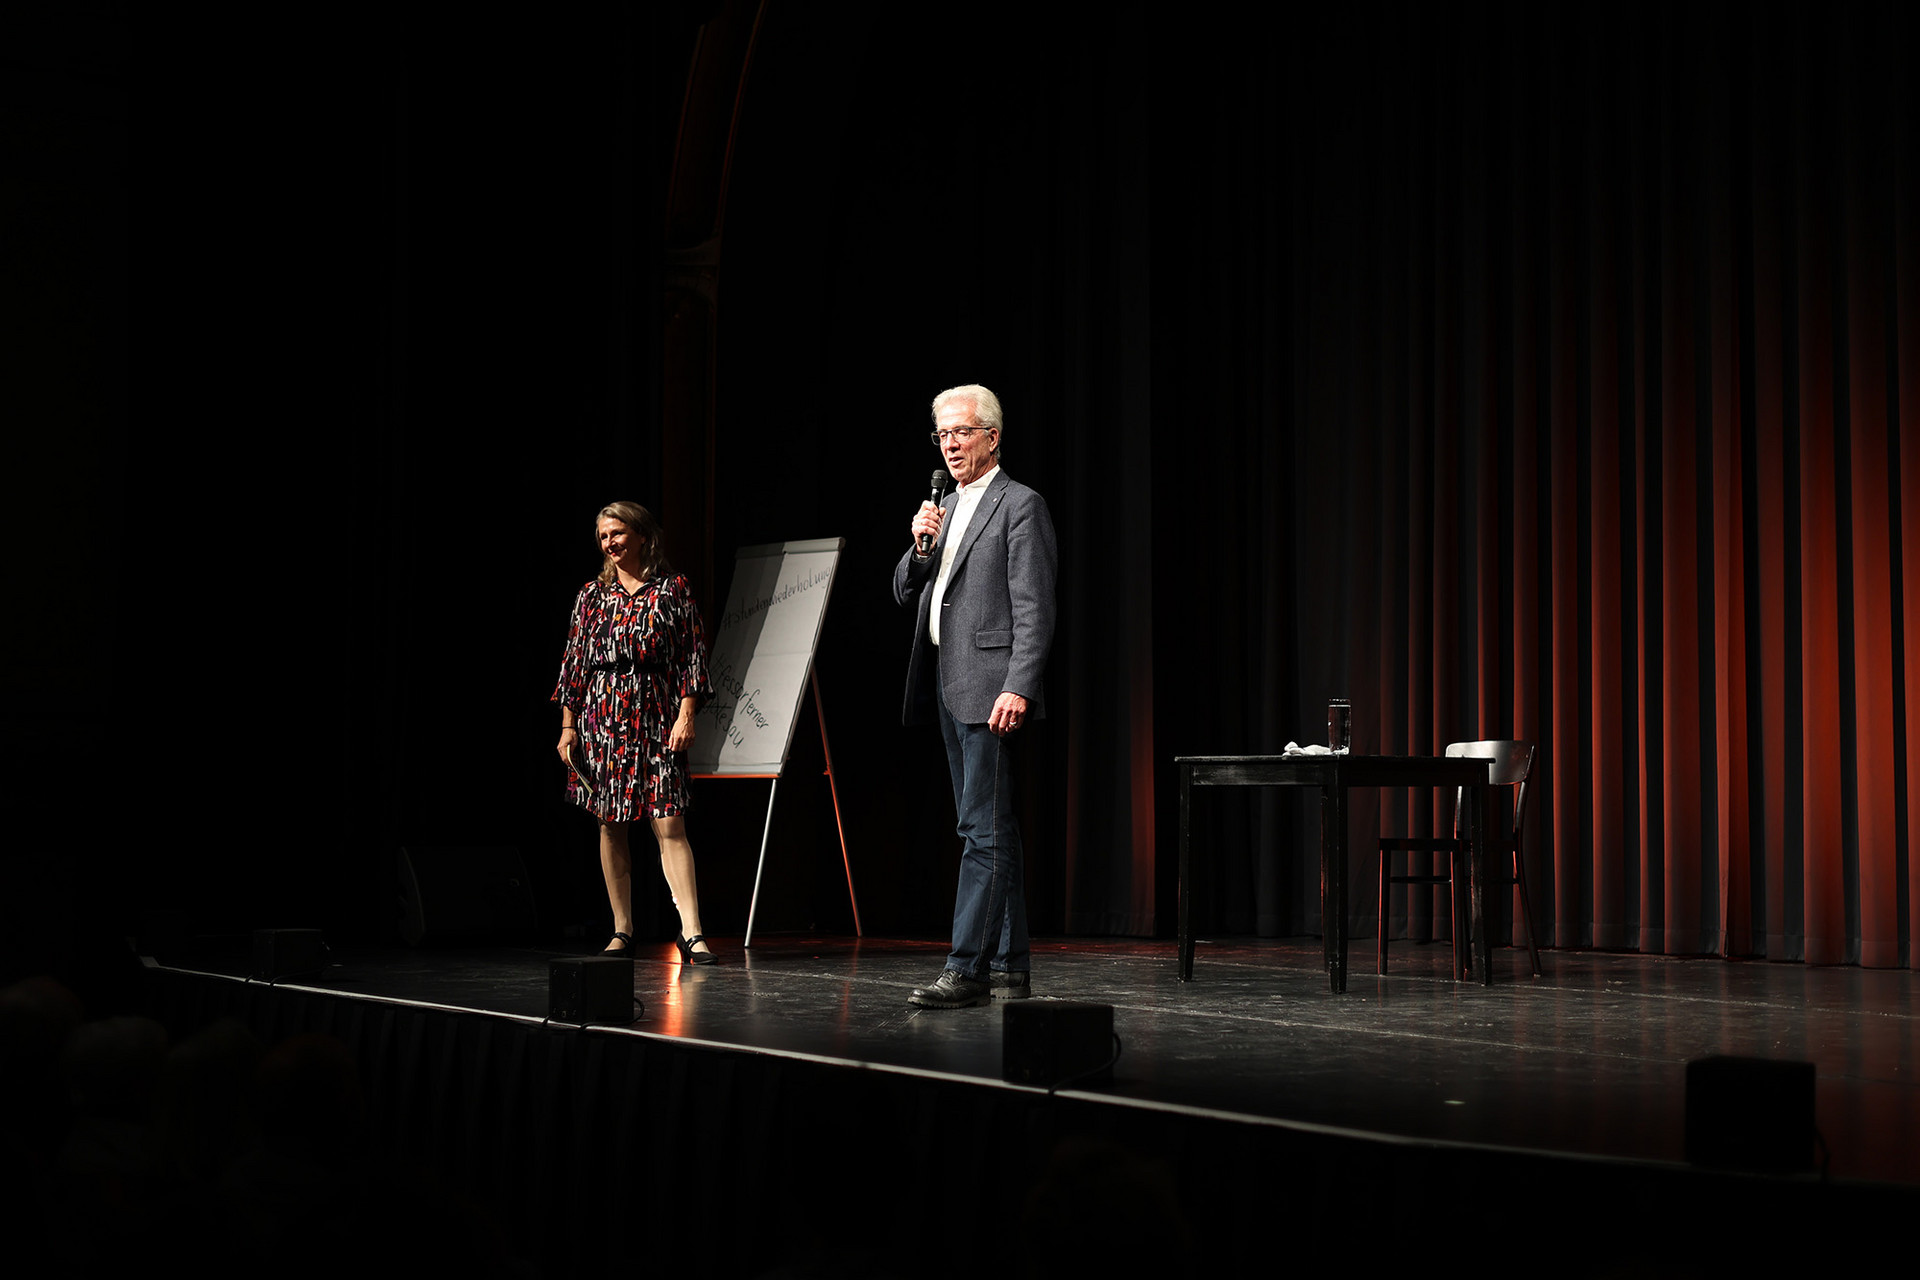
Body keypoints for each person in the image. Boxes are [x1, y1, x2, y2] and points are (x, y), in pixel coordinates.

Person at [893, 384, 1057, 1008]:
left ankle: (967, 970)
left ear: (992, 436)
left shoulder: (1020, 505)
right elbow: (905, 591)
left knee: (980, 831)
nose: (951, 445)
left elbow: (1034, 608)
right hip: (947, 681)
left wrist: (1019, 683)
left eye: (962, 433)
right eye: (942, 435)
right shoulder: (944, 508)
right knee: (992, 827)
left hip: (991, 688)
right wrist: (918, 546)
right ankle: (1010, 961)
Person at [552, 501, 718, 963]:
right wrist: (568, 727)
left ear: (643, 535)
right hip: (601, 717)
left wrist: (686, 716)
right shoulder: (592, 596)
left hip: (656, 715)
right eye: (604, 537)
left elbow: (690, 657)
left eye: (618, 533)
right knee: (611, 824)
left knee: (669, 821)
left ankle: (693, 932)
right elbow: (574, 665)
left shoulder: (672, 589)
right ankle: (622, 930)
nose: (610, 543)